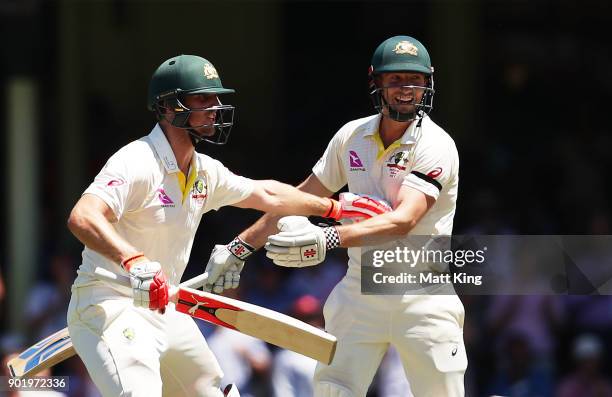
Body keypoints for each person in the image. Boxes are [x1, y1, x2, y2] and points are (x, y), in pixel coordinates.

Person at [66, 54, 383, 397]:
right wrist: (133, 260)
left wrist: (334, 207)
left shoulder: (204, 171)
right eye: (203, 98)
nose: (215, 107)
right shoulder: (137, 161)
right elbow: (83, 217)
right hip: (109, 306)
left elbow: (268, 193)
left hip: (164, 304)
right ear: (170, 107)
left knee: (212, 391)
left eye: (216, 98)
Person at [205, 36, 466, 396]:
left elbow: (402, 220)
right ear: (376, 82)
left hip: (421, 293)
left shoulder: (436, 145)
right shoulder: (351, 137)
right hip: (360, 289)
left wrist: (327, 237)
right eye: (395, 80)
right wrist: (240, 248)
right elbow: (298, 199)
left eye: (414, 79)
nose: (406, 89)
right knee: (332, 390)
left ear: (428, 83)